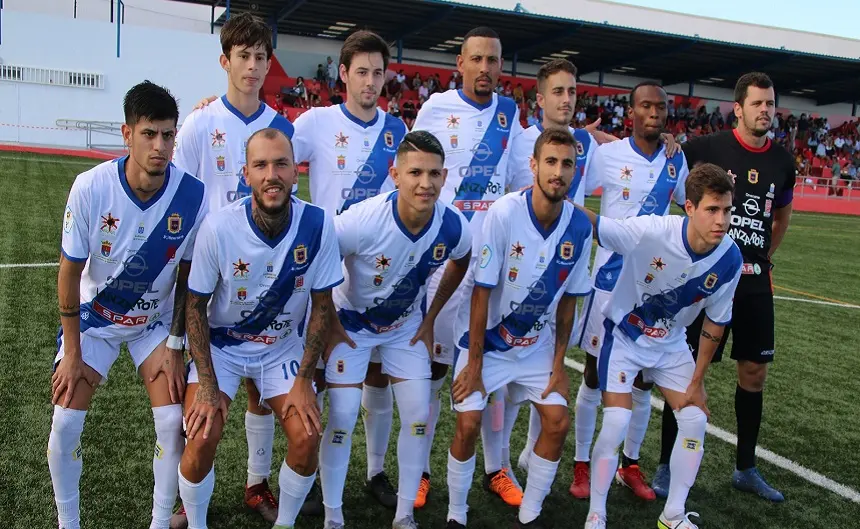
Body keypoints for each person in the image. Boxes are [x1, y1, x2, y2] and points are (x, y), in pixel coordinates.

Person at [188, 28, 408, 514]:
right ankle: (248, 482)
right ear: (344, 75)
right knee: (255, 393)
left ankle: (361, 475)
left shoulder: (398, 133)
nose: (370, 81)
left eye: (378, 72)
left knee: (356, 383)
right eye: (361, 71)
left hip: (351, 274)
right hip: (267, 268)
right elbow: (262, 152)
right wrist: (208, 109)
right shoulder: (313, 122)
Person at [49, 80, 207, 529]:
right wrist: (74, 353)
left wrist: (176, 346)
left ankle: (159, 523)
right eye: (149, 133)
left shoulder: (191, 194)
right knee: (63, 423)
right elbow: (68, 272)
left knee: (172, 419)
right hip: (94, 320)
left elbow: (188, 279)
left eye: (168, 135)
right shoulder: (90, 186)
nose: (160, 146)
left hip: (153, 325)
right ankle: (69, 523)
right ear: (127, 133)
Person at [388, 25, 525, 509]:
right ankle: (422, 471)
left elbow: (528, 181)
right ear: (460, 65)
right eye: (477, 60)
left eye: (494, 60)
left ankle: (497, 467)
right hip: (444, 265)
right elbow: (412, 173)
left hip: (495, 271)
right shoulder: (434, 109)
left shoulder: (512, 115)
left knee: (492, 373)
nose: (486, 68)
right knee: (435, 369)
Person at [177, 128, 342, 529]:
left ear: (295, 172)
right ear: (245, 174)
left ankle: (283, 524)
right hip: (223, 348)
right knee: (200, 435)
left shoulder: (318, 225)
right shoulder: (219, 228)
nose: (272, 174)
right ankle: (195, 522)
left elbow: (322, 306)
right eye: (261, 165)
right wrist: (208, 383)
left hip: (281, 349)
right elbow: (195, 307)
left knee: (306, 436)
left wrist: (305, 378)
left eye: (281, 164)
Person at [170, 12, 294, 528]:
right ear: (225, 61)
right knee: (202, 395)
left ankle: (256, 482)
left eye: (260, 56)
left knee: (258, 390)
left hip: (263, 277)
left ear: (269, 63)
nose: (251, 65)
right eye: (242, 56)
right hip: (208, 273)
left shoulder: (281, 127)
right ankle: (186, 497)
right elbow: (181, 191)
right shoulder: (201, 123)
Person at [653, 72, 796, 503]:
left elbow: (782, 216)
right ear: (738, 108)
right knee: (686, 369)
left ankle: (746, 468)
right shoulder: (708, 147)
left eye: (770, 104)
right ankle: (664, 464)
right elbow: (669, 159)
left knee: (754, 374)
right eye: (757, 104)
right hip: (708, 278)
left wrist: (763, 258)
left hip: (754, 283)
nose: (765, 111)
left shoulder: (783, 161)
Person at [321, 131, 473, 529]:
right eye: (416, 172)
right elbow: (320, 266)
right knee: (341, 417)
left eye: (435, 174)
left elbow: (462, 258)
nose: (426, 183)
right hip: (351, 323)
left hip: (404, 327)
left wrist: (431, 316)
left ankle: (405, 515)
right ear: (395, 175)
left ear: (445, 177)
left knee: (419, 415)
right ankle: (332, 516)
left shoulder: (453, 224)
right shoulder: (361, 220)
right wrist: (330, 324)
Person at [581, 163, 743, 529]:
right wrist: (550, 197)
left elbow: (716, 322)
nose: (721, 220)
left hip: (670, 343)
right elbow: (599, 227)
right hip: (624, 335)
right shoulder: (652, 231)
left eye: (727, 211)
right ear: (689, 208)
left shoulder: (730, 258)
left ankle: (672, 514)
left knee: (694, 419)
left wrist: (697, 380)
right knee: (617, 420)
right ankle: (596, 512)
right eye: (712, 210)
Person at [446, 128, 593, 529]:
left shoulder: (579, 228)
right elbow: (481, 293)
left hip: (534, 349)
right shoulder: (505, 212)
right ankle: (456, 514)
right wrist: (474, 365)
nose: (558, 172)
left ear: (575, 171)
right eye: (550, 162)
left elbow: (568, 303)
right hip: (489, 343)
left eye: (566, 164)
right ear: (533, 166)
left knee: (558, 420)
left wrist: (560, 364)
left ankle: (530, 514)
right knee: (468, 423)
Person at [571, 81, 689, 501]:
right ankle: (582, 464)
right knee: (593, 374)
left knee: (642, 381)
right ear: (632, 112)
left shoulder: (676, 162)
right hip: (607, 283)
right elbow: (575, 189)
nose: (654, 113)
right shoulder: (608, 155)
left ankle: (629, 464)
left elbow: (687, 209)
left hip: (650, 287)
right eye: (646, 106)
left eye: (660, 107)